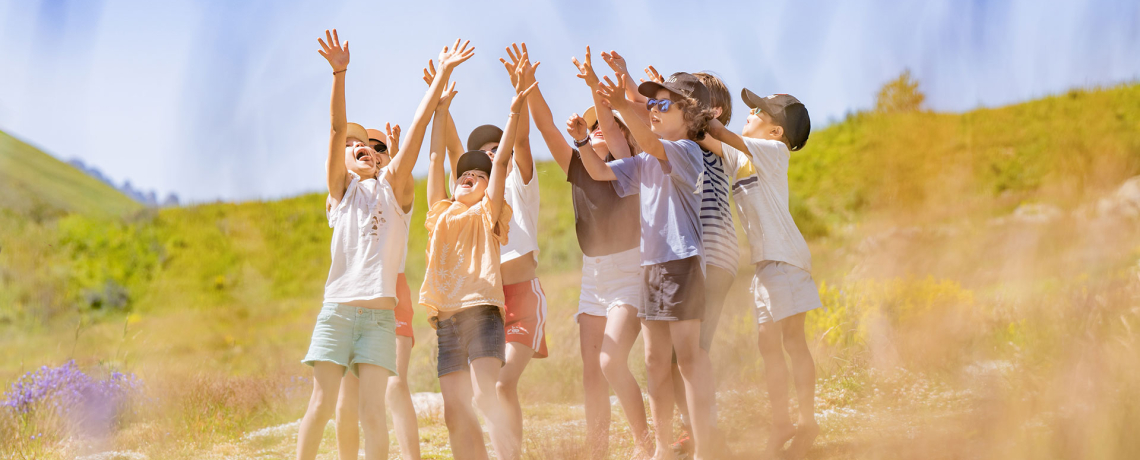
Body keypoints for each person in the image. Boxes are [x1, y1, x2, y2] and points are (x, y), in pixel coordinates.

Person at [298, 30, 457, 460]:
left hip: (379, 319)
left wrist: (440, 77)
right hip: (337, 312)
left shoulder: (395, 191)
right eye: (353, 147)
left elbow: (420, 130)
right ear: (342, 162)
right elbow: (335, 129)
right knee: (322, 406)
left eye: (368, 145)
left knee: (373, 412)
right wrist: (339, 73)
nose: (362, 148)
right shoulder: (340, 192)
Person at [578, 70, 718, 460]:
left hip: (681, 262)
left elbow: (652, 143)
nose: (653, 110)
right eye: (650, 103)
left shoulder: (687, 150)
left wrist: (624, 104)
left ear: (688, 116)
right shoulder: (646, 157)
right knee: (654, 359)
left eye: (662, 104)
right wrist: (581, 141)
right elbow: (601, 171)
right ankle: (661, 447)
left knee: (687, 358)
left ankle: (705, 449)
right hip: (651, 267)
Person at [524, 45, 652, 459]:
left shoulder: (629, 163)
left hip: (628, 273)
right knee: (590, 373)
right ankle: (597, 450)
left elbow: (611, 130)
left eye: (608, 124)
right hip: (592, 276)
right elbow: (545, 127)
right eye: (593, 125)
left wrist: (595, 83)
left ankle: (644, 441)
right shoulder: (577, 164)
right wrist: (528, 86)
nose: (601, 127)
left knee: (610, 362)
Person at [419, 55, 537, 460]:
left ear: (488, 188)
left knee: (486, 396)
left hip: (484, 312)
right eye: (464, 175)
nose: (469, 177)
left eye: (478, 175)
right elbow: (435, 160)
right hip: (448, 319)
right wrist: (440, 105)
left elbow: (501, 161)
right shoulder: (441, 213)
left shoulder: (488, 213)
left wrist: (514, 108)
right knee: (454, 410)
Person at [699, 89, 821, 460]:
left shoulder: (772, 153)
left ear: (777, 133)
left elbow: (716, 132)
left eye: (761, 111)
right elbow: (700, 136)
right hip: (767, 264)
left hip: (785, 259)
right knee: (768, 345)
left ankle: (807, 420)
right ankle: (782, 421)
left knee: (791, 342)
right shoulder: (743, 156)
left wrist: (693, 105)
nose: (751, 111)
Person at [328, 126, 422, 460]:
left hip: (392, 291)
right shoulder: (354, 193)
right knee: (346, 397)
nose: (372, 150)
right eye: (364, 147)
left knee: (395, 384)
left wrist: (394, 155)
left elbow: (404, 173)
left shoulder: (395, 189)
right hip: (354, 295)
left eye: (378, 145)